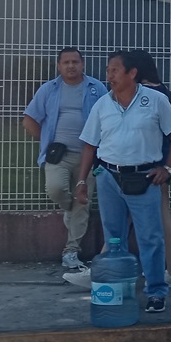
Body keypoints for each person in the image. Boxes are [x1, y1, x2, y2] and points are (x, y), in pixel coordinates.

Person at [74, 50, 171, 314]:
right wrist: (81, 181)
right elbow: (90, 144)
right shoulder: (102, 104)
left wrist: (167, 167)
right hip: (109, 177)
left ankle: (156, 291)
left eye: (114, 70)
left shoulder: (155, 100)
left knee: (150, 237)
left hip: (144, 177)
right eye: (108, 70)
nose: (109, 76)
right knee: (114, 237)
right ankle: (118, 287)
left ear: (131, 73)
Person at [21, 47, 106, 271]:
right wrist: (47, 141)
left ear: (83, 64)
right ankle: (70, 207)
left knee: (83, 203)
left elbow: (108, 116)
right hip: (58, 155)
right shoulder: (49, 89)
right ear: (59, 66)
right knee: (56, 189)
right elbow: (29, 120)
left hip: (89, 154)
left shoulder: (96, 88)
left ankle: (71, 251)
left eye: (75, 62)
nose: (71, 66)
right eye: (66, 62)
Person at [130, 50, 171, 282]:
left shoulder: (144, 95)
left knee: (124, 218)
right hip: (160, 163)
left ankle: (106, 273)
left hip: (144, 164)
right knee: (163, 215)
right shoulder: (162, 91)